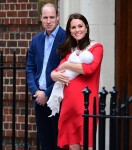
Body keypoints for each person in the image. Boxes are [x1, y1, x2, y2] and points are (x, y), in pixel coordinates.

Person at [50, 13, 103, 150]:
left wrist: (67, 65)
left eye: (80, 26)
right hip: (69, 106)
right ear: (69, 31)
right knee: (72, 145)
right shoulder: (70, 52)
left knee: (87, 144)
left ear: (86, 27)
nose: (77, 30)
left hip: (86, 105)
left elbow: (90, 69)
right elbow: (55, 72)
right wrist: (53, 74)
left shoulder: (96, 47)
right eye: (73, 27)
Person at [26, 3, 66, 150]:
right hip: (39, 100)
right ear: (40, 19)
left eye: (51, 17)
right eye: (45, 17)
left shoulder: (66, 38)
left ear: (57, 18)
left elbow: (66, 73)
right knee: (45, 143)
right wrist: (36, 92)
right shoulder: (36, 40)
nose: (48, 21)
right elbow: (30, 68)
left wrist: (47, 93)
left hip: (57, 99)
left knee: (59, 144)